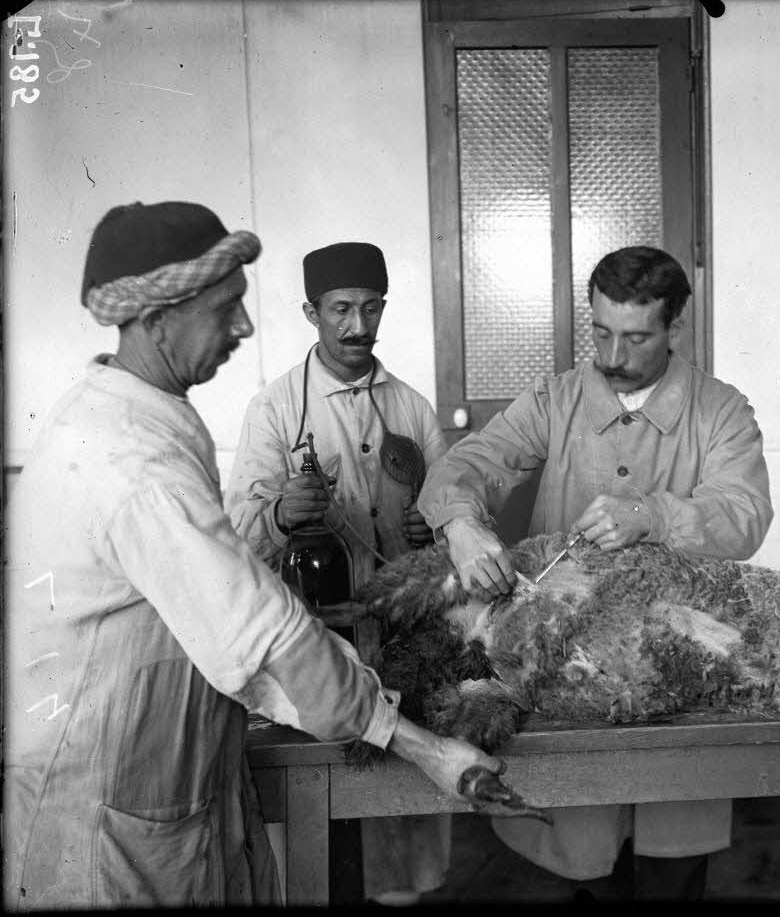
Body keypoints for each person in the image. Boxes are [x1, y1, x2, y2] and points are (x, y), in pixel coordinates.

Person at [2, 202, 501, 910]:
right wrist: (426, 749)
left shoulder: (145, 412)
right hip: (108, 793)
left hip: (176, 754)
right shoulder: (131, 459)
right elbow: (261, 629)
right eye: (227, 308)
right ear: (157, 317)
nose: (244, 327)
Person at [420, 245, 773, 900]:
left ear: (676, 327)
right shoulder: (554, 401)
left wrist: (655, 515)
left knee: (673, 857)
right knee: (581, 855)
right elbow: (462, 467)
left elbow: (746, 516)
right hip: (570, 668)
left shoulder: (720, 410)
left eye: (636, 337)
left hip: (680, 669)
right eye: (602, 333)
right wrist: (462, 525)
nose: (613, 357)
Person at [223, 242, 452, 905]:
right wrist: (280, 514)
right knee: (318, 830)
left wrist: (429, 528)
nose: (359, 325)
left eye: (371, 307)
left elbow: (454, 505)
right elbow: (235, 531)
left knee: (397, 835)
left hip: (401, 640)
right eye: (342, 309)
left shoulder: (410, 408)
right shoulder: (275, 410)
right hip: (309, 642)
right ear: (311, 313)